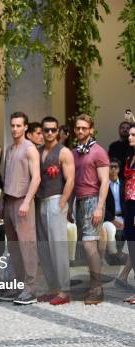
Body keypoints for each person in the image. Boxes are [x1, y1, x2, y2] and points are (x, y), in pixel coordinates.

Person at [0, 112, 40, 305]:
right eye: (12, 125)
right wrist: (1, 203)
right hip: (8, 201)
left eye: (18, 125)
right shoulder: (9, 149)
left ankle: (30, 289)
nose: (15, 128)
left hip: (23, 201)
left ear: (25, 127)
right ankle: (19, 286)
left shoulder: (30, 149)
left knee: (27, 246)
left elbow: (36, 178)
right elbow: (6, 178)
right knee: (14, 247)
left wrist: (26, 201)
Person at [35, 116, 75, 306]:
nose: (49, 133)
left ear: (57, 131)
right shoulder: (38, 150)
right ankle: (53, 289)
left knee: (58, 246)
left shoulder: (64, 152)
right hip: (40, 202)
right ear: (41, 131)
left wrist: (62, 204)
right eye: (46, 130)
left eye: (53, 129)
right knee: (44, 247)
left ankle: (64, 290)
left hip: (56, 199)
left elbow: (70, 180)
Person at [71, 114, 110, 305]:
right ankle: (93, 286)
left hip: (93, 200)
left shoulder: (99, 151)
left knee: (89, 245)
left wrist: (99, 207)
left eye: (84, 128)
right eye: (78, 128)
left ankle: (97, 289)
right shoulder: (74, 152)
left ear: (91, 130)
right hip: (78, 201)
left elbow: (105, 182)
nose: (80, 131)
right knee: (88, 246)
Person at [104, 158, 128, 267]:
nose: (113, 169)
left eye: (115, 167)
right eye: (111, 167)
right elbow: (101, 206)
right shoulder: (103, 185)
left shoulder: (125, 184)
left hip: (123, 217)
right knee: (111, 228)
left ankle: (124, 255)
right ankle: (113, 257)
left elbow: (129, 203)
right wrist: (112, 220)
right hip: (108, 218)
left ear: (119, 169)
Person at [121, 123, 135, 304]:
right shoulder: (130, 156)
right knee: (132, 247)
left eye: (134, 135)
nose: (130, 137)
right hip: (129, 205)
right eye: (130, 134)